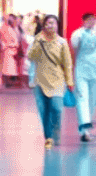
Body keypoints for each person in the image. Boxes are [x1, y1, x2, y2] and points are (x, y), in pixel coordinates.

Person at [28, 13, 74, 149]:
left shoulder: (62, 42)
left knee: (57, 108)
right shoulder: (38, 39)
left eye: (53, 23)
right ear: (43, 25)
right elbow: (31, 56)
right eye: (48, 23)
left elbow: (67, 63)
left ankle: (56, 133)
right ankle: (48, 137)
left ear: (57, 25)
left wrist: (69, 81)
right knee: (44, 110)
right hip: (40, 81)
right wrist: (38, 41)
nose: (50, 25)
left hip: (57, 81)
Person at [70, 11, 96, 141]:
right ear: (84, 20)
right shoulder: (77, 34)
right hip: (82, 71)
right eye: (89, 20)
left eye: (93, 20)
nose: (92, 22)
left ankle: (87, 126)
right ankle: (84, 130)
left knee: (93, 99)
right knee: (82, 98)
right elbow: (74, 47)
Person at [0, 13, 25, 86]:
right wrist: (2, 43)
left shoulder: (14, 29)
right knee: (6, 69)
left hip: (12, 52)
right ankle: (7, 82)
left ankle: (10, 82)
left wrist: (6, 45)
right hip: (7, 52)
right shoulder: (4, 28)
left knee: (10, 69)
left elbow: (16, 42)